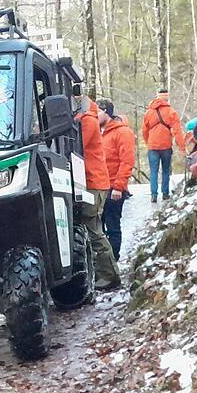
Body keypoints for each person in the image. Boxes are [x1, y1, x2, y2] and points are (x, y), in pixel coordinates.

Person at [75, 96, 122, 291]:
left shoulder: (87, 120)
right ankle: (105, 273)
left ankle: (110, 275)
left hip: (94, 182)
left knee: (93, 229)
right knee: (93, 228)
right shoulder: (89, 118)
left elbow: (79, 147)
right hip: (94, 181)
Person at [96, 98, 135, 260]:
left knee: (112, 225)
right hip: (99, 186)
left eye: (97, 112)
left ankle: (113, 260)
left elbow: (127, 161)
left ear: (106, 112)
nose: (95, 116)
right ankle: (104, 263)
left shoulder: (122, 132)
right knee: (99, 227)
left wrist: (119, 186)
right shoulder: (97, 133)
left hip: (113, 187)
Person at [140, 89, 187, 203]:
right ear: (167, 99)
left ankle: (154, 194)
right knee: (166, 170)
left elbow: (144, 131)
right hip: (166, 146)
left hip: (152, 147)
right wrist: (182, 147)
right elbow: (177, 131)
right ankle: (165, 193)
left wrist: (148, 142)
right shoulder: (171, 112)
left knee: (153, 171)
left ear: (157, 97)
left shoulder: (149, 113)